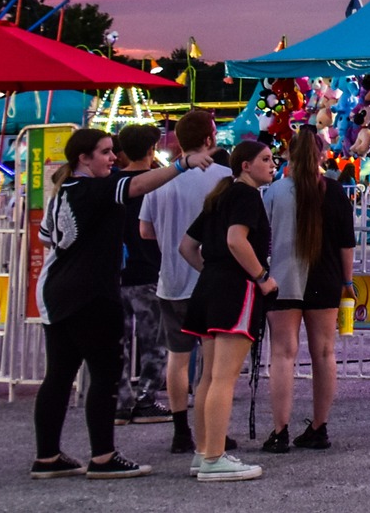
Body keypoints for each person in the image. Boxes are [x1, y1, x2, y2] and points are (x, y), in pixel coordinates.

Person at [30, 127, 216, 481]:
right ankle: (103, 456)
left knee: (58, 374)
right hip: (92, 294)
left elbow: (48, 240)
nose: (113, 158)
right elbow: (138, 185)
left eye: (112, 151)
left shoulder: (61, 194)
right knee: (105, 374)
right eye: (104, 152)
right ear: (83, 158)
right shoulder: (95, 189)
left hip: (56, 292)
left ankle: (47, 455)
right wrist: (183, 165)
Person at [181, 139, 280, 482]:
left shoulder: (219, 196)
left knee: (209, 376)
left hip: (209, 286)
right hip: (236, 289)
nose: (272, 164)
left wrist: (212, 271)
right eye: (265, 159)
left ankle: (203, 452)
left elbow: (187, 246)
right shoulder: (246, 195)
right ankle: (214, 457)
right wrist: (262, 277)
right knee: (224, 376)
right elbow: (236, 240)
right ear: (245, 165)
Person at [139, 110, 233, 457]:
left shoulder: (159, 180)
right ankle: (211, 428)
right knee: (213, 364)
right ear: (209, 138)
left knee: (177, 359)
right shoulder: (224, 178)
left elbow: (145, 231)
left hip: (171, 280)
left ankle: (181, 430)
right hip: (211, 281)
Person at [260, 126, 356, 454]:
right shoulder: (334, 191)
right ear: (322, 155)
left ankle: (280, 430)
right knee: (325, 353)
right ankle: (319, 426)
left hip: (282, 280)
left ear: (289, 154)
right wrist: (347, 282)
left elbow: (263, 237)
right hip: (326, 279)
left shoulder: (275, 192)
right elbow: (346, 244)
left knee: (283, 354)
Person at [111, 123, 171, 426]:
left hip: (115, 273)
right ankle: (147, 398)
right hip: (149, 269)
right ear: (151, 150)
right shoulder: (156, 184)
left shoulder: (110, 183)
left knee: (116, 341)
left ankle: (120, 401)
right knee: (153, 341)